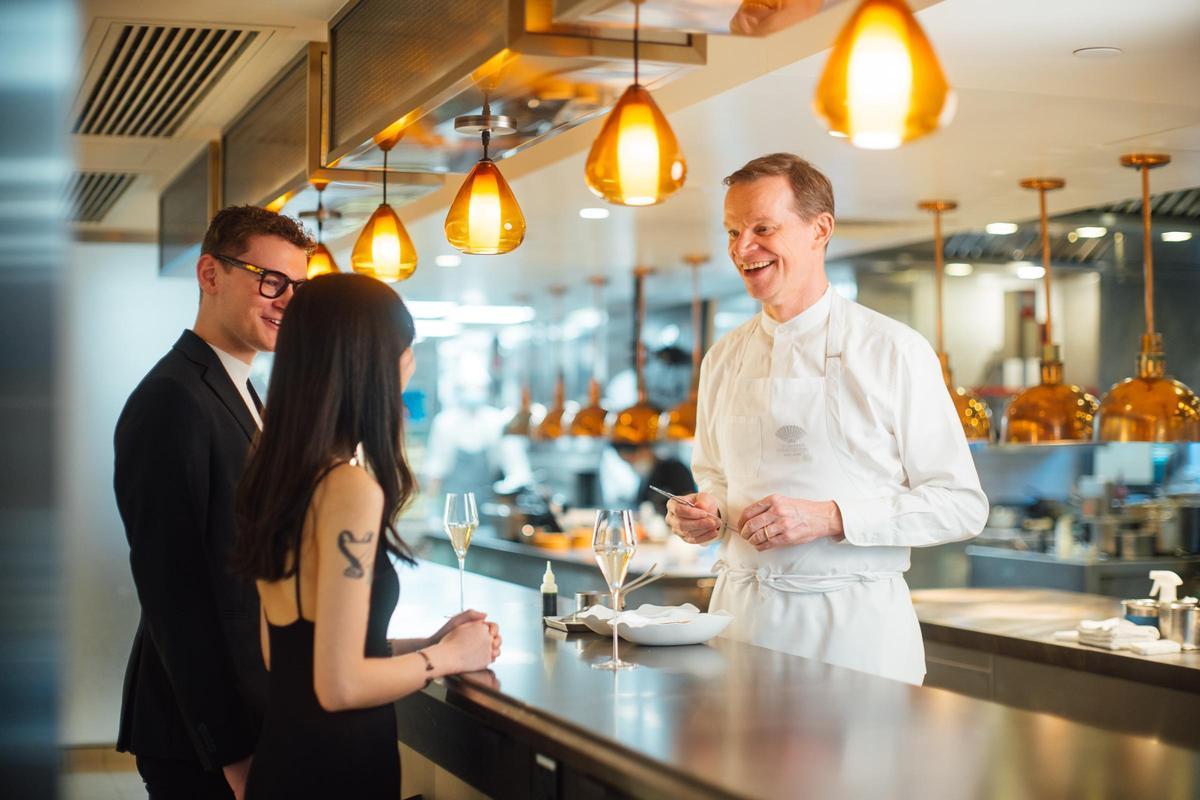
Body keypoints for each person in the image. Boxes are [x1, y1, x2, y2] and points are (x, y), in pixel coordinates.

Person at [665, 154, 988, 685]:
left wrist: (833, 517)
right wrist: (704, 510)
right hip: (741, 626)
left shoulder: (894, 350)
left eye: (763, 228)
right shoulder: (723, 357)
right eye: (733, 231)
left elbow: (961, 507)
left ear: (821, 230)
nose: (742, 249)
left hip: (855, 637)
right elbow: (716, 476)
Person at [231, 274, 501, 798]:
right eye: (406, 351)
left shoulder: (275, 473)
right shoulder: (347, 488)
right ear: (370, 362)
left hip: (286, 762)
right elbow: (340, 685)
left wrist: (427, 642)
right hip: (337, 772)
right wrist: (446, 659)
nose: (410, 366)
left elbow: (286, 653)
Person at [113, 206, 312, 798]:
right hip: (199, 736)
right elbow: (174, 591)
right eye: (269, 280)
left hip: (253, 707)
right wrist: (232, 751)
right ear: (210, 274)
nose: (285, 301)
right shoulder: (172, 398)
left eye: (296, 287)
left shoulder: (246, 388)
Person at [610, 441, 695, 517]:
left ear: (645, 449)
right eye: (628, 462)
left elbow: (690, 503)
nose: (632, 464)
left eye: (632, 459)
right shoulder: (645, 480)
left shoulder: (675, 469)